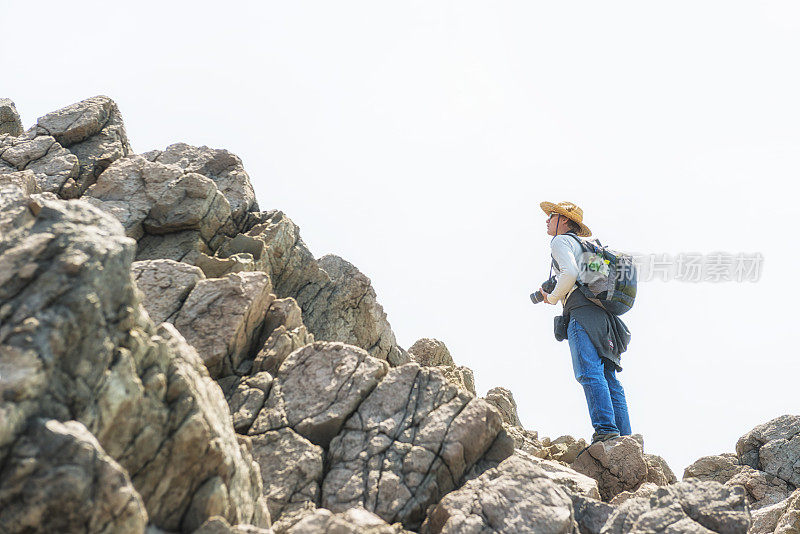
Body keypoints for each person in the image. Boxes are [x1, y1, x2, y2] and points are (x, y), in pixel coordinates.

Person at [538, 201, 632, 444]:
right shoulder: (587, 247)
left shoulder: (560, 242)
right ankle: (625, 440)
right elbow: (584, 278)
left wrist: (552, 297)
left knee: (588, 373)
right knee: (609, 377)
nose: (547, 220)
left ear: (564, 220)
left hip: (582, 315)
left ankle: (605, 432)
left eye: (551, 215)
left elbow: (568, 273)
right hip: (604, 318)